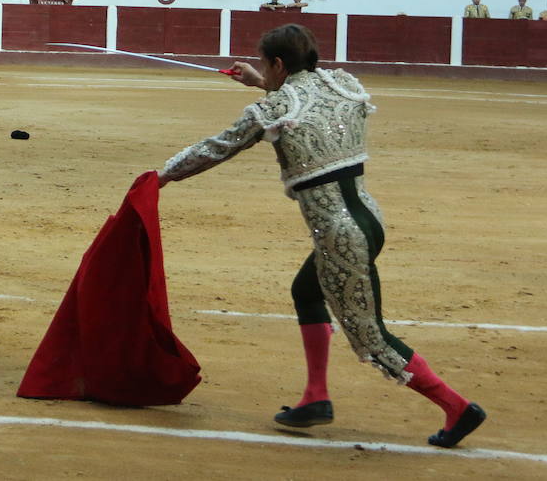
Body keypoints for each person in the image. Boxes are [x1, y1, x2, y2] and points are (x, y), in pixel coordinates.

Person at [159, 24, 486, 448]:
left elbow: (217, 148)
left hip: (338, 234)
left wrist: (162, 175)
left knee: (372, 337)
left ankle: (457, 407)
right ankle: (316, 397)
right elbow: (308, 101)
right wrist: (262, 84)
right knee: (307, 291)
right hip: (369, 218)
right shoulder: (343, 84)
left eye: (265, 65)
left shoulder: (271, 109)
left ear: (277, 64)